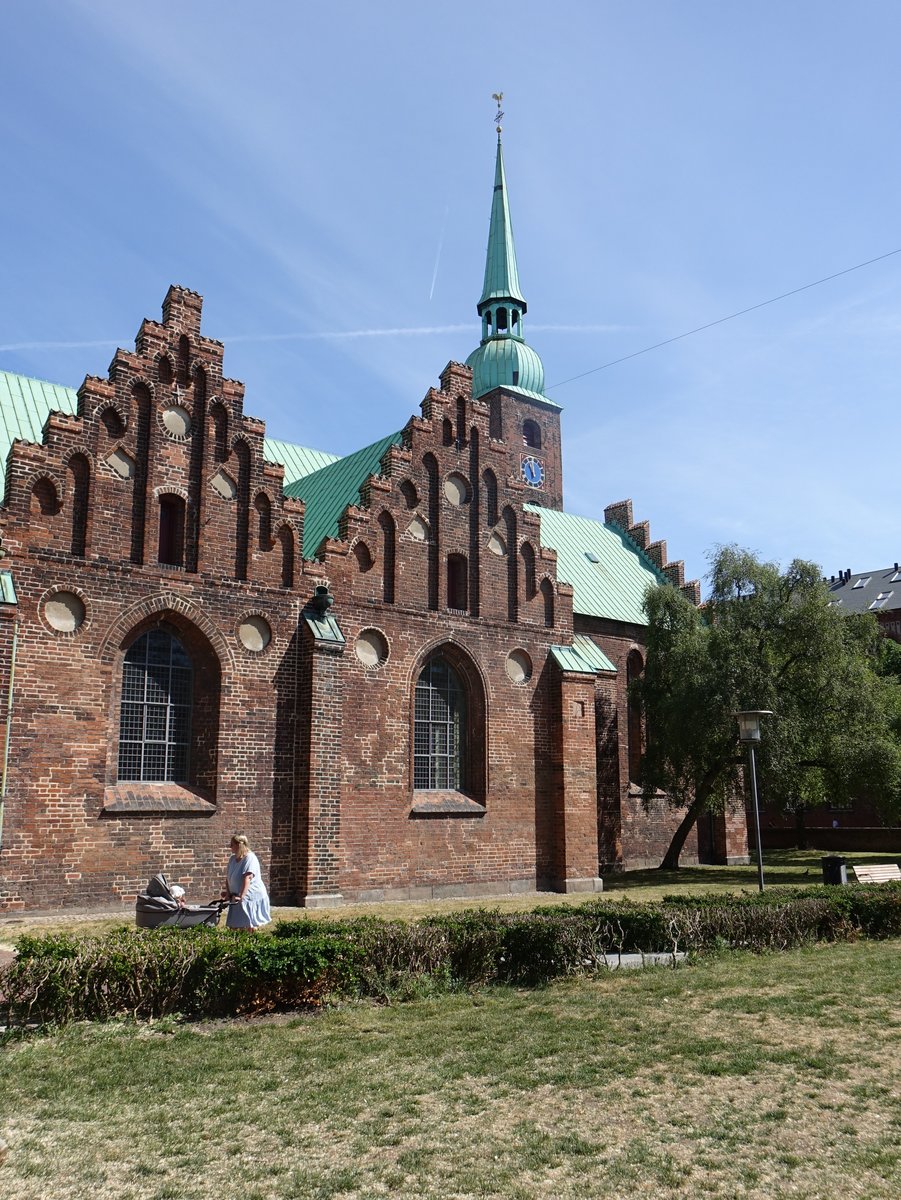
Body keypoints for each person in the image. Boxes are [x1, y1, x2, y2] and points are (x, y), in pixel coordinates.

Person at [222, 833, 272, 931]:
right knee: (234, 925)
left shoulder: (250, 858)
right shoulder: (232, 859)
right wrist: (228, 893)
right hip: (235, 896)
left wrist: (241, 896)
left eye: (232, 844)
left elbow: (247, 878)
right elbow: (228, 877)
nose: (230, 847)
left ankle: (252, 942)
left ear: (239, 845)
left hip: (249, 896)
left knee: (249, 925)